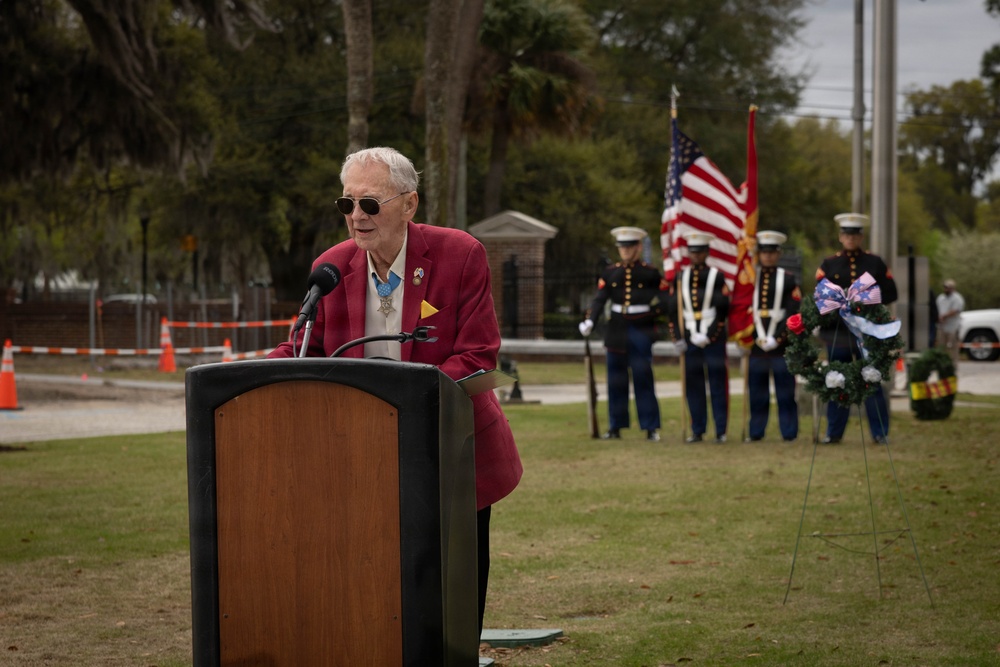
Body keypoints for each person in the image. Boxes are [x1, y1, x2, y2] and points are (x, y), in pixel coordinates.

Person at [268, 146, 522, 634]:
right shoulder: (330, 267)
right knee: (373, 589)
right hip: (360, 458)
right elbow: (304, 348)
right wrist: (243, 375)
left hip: (449, 453)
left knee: (451, 596)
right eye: (347, 204)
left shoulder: (460, 254)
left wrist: (404, 405)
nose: (357, 216)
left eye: (370, 203)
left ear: (409, 204)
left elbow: (477, 356)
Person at [815, 213, 898, 444]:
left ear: (861, 237)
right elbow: (819, 296)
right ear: (840, 237)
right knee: (837, 381)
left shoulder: (875, 263)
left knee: (871, 380)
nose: (851, 239)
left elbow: (891, 292)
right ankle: (833, 433)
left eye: (855, 235)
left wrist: (866, 300)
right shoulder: (829, 264)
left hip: (867, 334)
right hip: (838, 333)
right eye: (847, 235)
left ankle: (880, 433)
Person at [579, 226, 663, 441]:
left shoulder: (650, 273)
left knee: (643, 378)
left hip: (641, 329)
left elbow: (665, 301)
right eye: (622, 247)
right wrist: (590, 320)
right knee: (615, 380)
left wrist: (652, 314)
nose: (625, 250)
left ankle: (650, 426)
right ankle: (615, 425)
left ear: (638, 247)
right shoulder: (610, 272)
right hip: (616, 330)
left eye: (629, 247)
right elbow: (600, 299)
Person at [669, 231, 731, 443]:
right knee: (693, 385)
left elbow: (723, 310)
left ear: (706, 253)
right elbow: (673, 310)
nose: (696, 255)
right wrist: (678, 337)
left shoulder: (717, 276)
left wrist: (709, 335)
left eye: (700, 252)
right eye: (693, 252)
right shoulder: (680, 277)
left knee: (717, 384)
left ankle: (720, 430)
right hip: (689, 339)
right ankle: (697, 429)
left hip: (713, 339)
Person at [745, 231, 801, 442]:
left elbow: (793, 312)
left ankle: (789, 432)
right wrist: (747, 337)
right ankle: (756, 432)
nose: (767, 256)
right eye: (764, 252)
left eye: (771, 252)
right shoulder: (750, 278)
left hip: (781, 347)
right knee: (757, 393)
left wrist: (778, 338)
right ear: (759, 254)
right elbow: (743, 310)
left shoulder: (788, 279)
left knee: (785, 392)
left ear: (778, 254)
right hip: (756, 345)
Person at [936, 279, 965, 365]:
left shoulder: (957, 298)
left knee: (953, 347)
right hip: (942, 326)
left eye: (948, 288)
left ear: (952, 288)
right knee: (942, 347)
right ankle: (942, 364)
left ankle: (953, 365)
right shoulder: (941, 298)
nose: (946, 289)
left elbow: (955, 310)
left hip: (953, 327)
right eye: (945, 287)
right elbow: (937, 309)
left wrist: (944, 316)